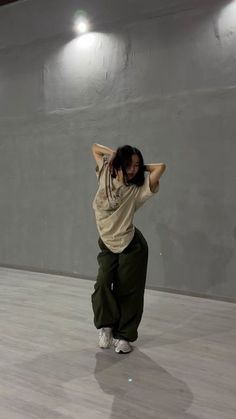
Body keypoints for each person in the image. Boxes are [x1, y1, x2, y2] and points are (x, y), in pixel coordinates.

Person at [91, 143, 166, 354]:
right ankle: (106, 327)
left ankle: (124, 336)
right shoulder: (105, 174)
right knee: (103, 283)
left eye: (137, 165)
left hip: (131, 245)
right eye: (129, 164)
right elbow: (95, 148)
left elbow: (161, 167)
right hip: (107, 242)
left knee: (128, 290)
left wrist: (141, 168)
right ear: (119, 163)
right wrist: (113, 155)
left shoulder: (138, 190)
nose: (133, 169)